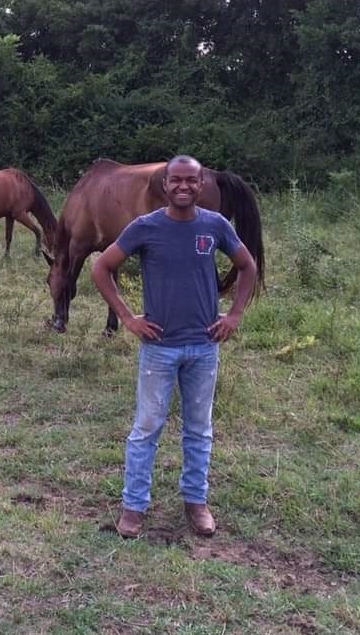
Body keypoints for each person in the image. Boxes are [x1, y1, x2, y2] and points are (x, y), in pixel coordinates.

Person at [90, 155, 257, 538]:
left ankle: (196, 504)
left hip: (203, 346)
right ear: (164, 185)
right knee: (146, 428)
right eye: (176, 180)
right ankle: (133, 508)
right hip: (159, 349)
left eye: (191, 181)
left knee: (199, 430)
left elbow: (248, 267)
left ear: (201, 185)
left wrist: (233, 315)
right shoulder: (145, 227)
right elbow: (101, 268)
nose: (183, 187)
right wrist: (129, 318)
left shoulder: (215, 226)